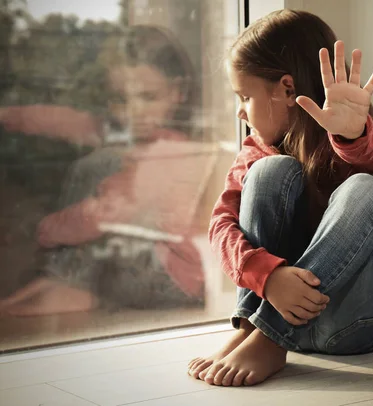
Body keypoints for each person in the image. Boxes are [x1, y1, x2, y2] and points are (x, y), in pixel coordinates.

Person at [187, 9, 373, 387]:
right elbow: (220, 225)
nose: (241, 111)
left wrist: (350, 136)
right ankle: (252, 329)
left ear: (287, 89)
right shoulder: (255, 151)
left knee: (367, 189)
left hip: (348, 324)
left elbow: (366, 160)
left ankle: (268, 336)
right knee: (269, 172)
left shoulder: (351, 138)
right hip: (277, 307)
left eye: (245, 96)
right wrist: (270, 276)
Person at [0, 25, 213, 316]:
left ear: (178, 92)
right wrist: (8, 115)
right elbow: (70, 121)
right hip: (153, 266)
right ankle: (52, 284)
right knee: (97, 164)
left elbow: (104, 213)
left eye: (148, 98)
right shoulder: (131, 135)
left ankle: (72, 290)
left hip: (170, 281)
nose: (132, 112)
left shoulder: (169, 151)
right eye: (120, 100)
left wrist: (44, 229)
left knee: (95, 171)